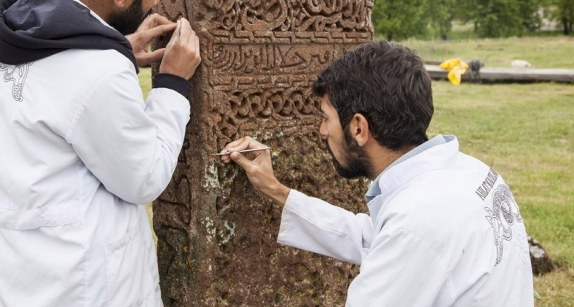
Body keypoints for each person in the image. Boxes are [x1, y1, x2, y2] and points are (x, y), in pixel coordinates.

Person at [0, 0, 200, 306]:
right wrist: (171, 83)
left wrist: (117, 47)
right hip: (80, 281)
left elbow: (56, 83)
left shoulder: (3, 14)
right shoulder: (98, 71)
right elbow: (143, 177)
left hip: (18, 262)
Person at [220, 41, 534, 306]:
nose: (322, 131)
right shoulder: (471, 172)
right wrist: (276, 189)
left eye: (326, 117)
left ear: (358, 127)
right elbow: (378, 239)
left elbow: (406, 237)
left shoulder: (418, 219)